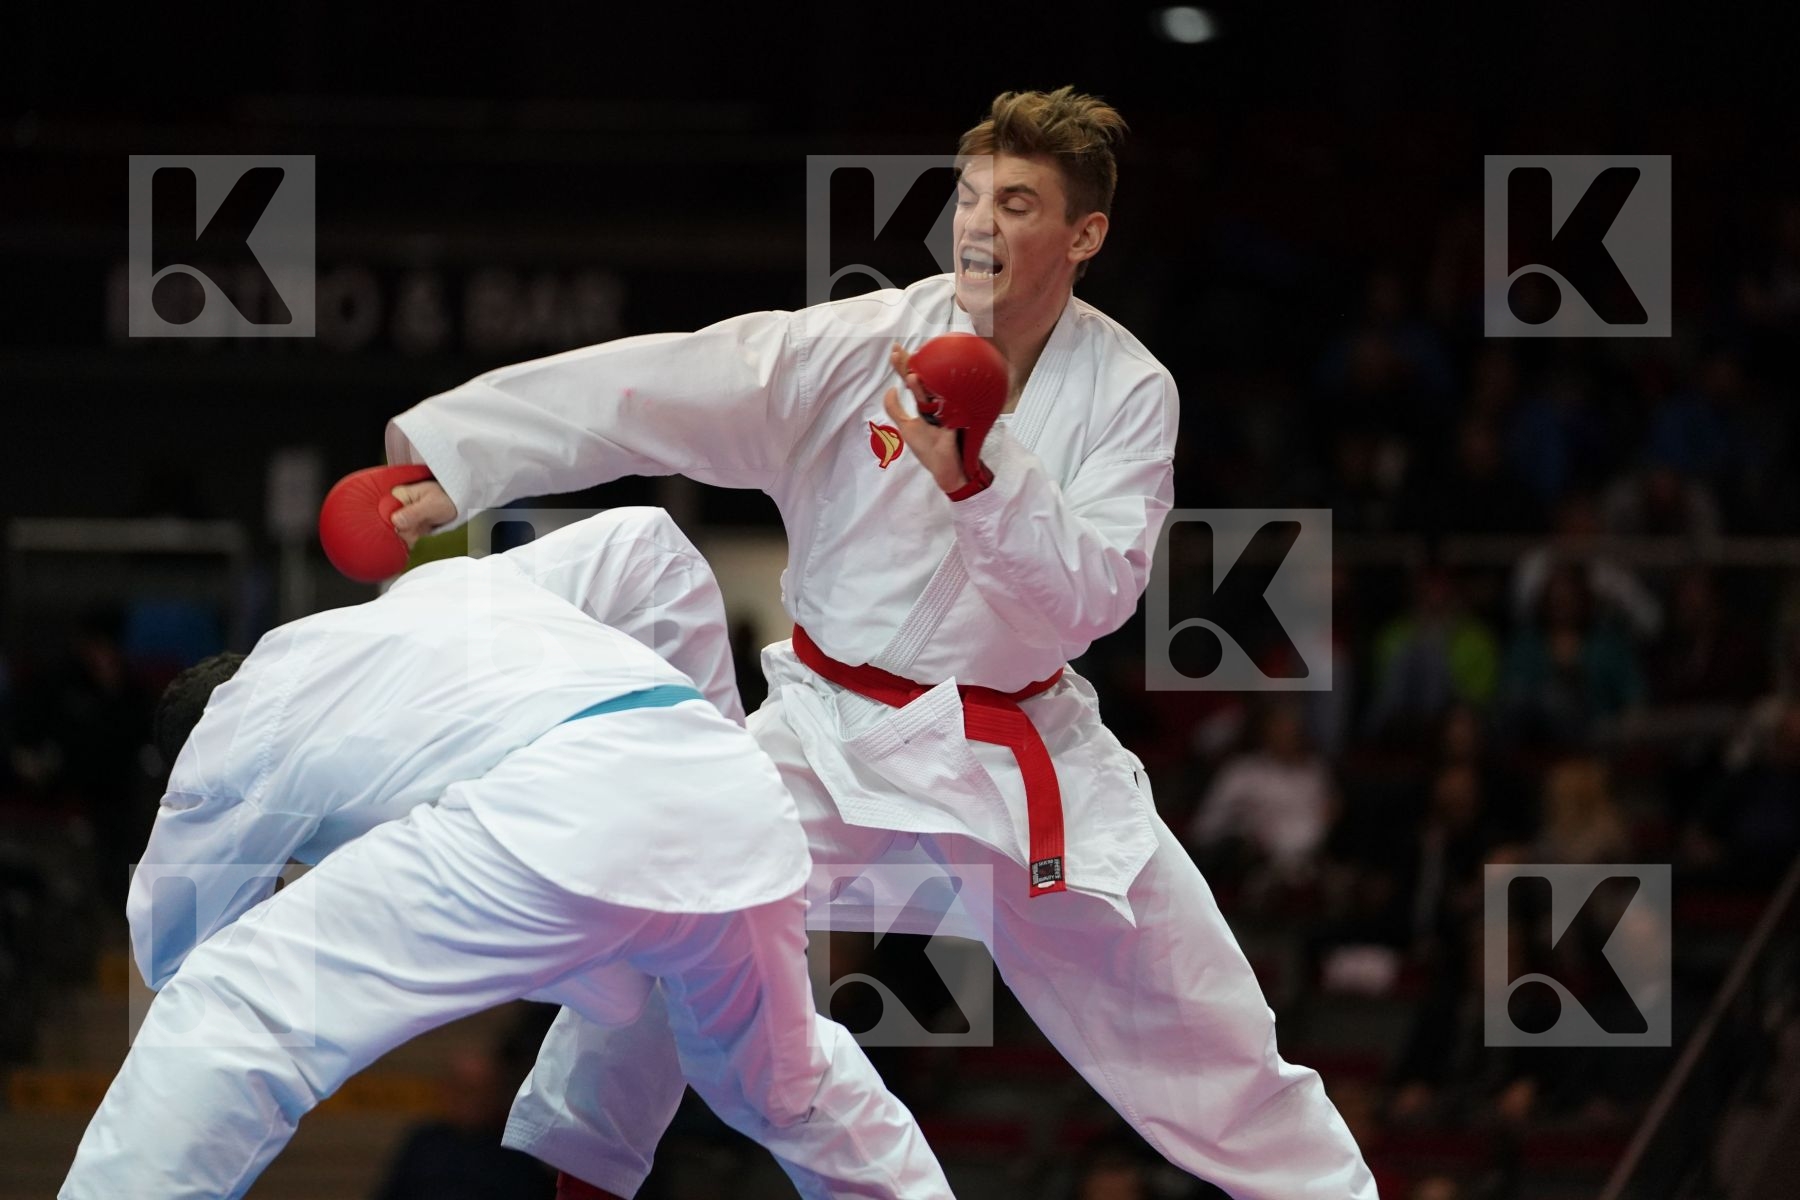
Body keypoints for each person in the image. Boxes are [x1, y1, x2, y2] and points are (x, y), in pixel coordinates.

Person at [383, 88, 1377, 1199]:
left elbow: (1093, 600)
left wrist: (983, 477)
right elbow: (655, 387)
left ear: (1086, 235)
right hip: (828, 735)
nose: (981, 225)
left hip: (1018, 757)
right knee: (665, 908)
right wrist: (459, 456)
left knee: (1207, 1030)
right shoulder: (862, 345)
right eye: (968, 198)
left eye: (1018, 202)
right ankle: (578, 1187)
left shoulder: (1132, 391)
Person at [59, 507, 951, 1200]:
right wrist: (710, 733)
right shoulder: (437, 594)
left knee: (231, 1009)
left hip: (563, 817)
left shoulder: (229, 729)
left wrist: (252, 903)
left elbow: (174, 956)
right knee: (784, 1088)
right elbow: (651, 547)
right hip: (733, 804)